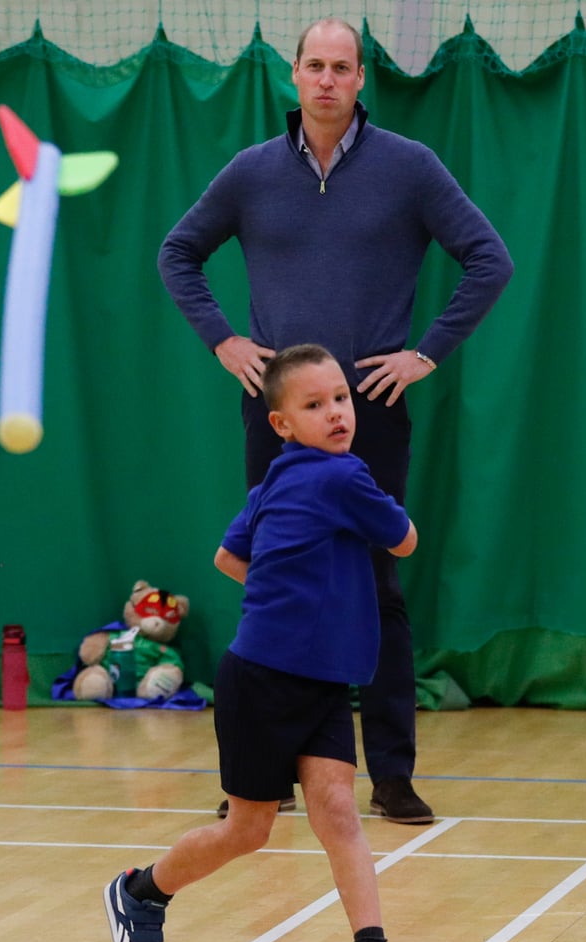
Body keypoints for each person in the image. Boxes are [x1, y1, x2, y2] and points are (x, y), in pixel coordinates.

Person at [157, 17, 514, 825]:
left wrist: (422, 353)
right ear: (294, 76)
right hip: (273, 414)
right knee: (272, 577)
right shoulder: (250, 173)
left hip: (373, 413)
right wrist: (224, 340)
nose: (326, 79)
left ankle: (389, 773)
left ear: (360, 80)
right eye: (313, 65)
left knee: (377, 583)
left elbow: (489, 257)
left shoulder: (409, 168)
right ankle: (258, 776)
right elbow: (178, 251)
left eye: (340, 67)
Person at [104, 345, 418, 942]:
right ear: (281, 424)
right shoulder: (343, 479)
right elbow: (404, 540)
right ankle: (141, 892)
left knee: (337, 810)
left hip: (323, 683)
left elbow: (227, 557)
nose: (336, 413)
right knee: (247, 830)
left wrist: (306, 602)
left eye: (340, 397)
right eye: (314, 405)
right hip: (260, 682)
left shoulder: (274, 480)